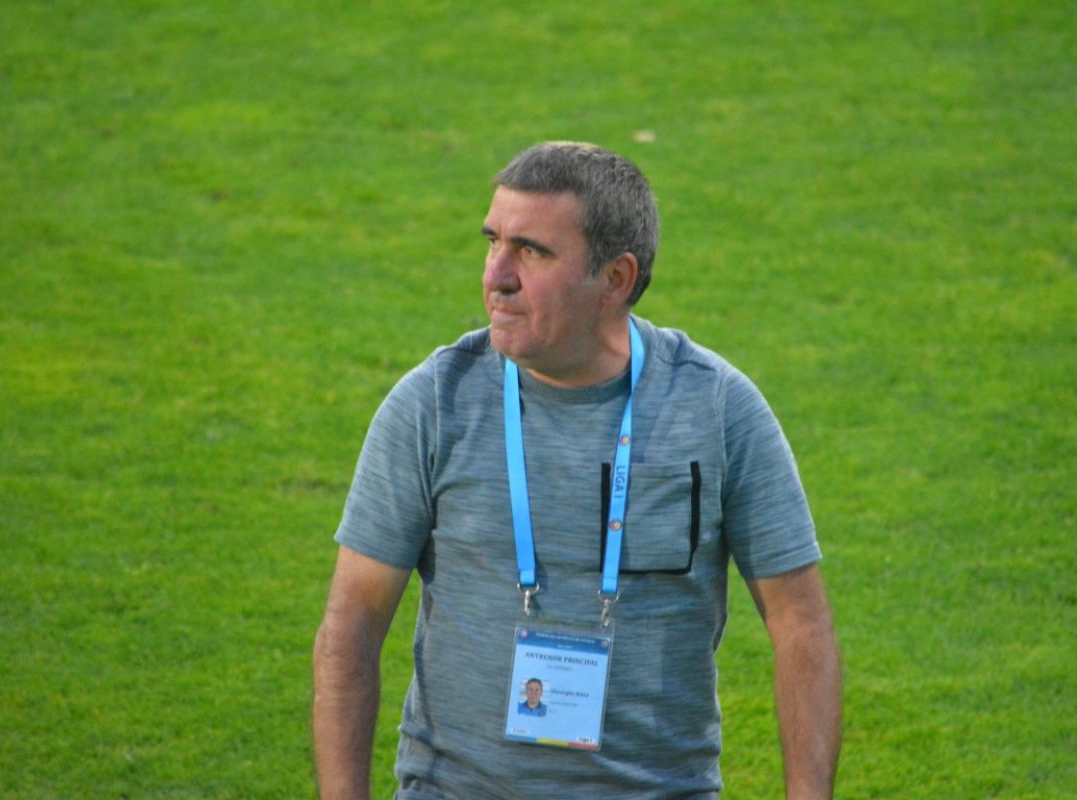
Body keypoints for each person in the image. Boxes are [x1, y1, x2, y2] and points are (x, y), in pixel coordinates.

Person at [313, 141, 841, 799]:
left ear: (615, 279)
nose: (497, 276)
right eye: (492, 242)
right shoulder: (434, 405)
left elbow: (801, 625)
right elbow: (353, 624)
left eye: (532, 252)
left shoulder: (716, 408)